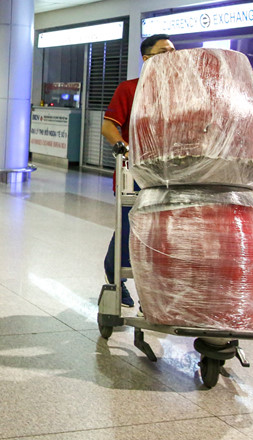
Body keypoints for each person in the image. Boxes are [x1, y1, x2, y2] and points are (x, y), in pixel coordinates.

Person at [100, 34, 175, 307]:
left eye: (174, 51)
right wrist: (127, 150)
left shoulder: (179, 92)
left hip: (169, 173)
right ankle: (115, 276)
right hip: (135, 172)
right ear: (147, 58)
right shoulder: (129, 89)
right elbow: (109, 126)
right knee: (129, 226)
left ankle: (152, 290)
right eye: (164, 52)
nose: (172, 56)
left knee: (161, 233)